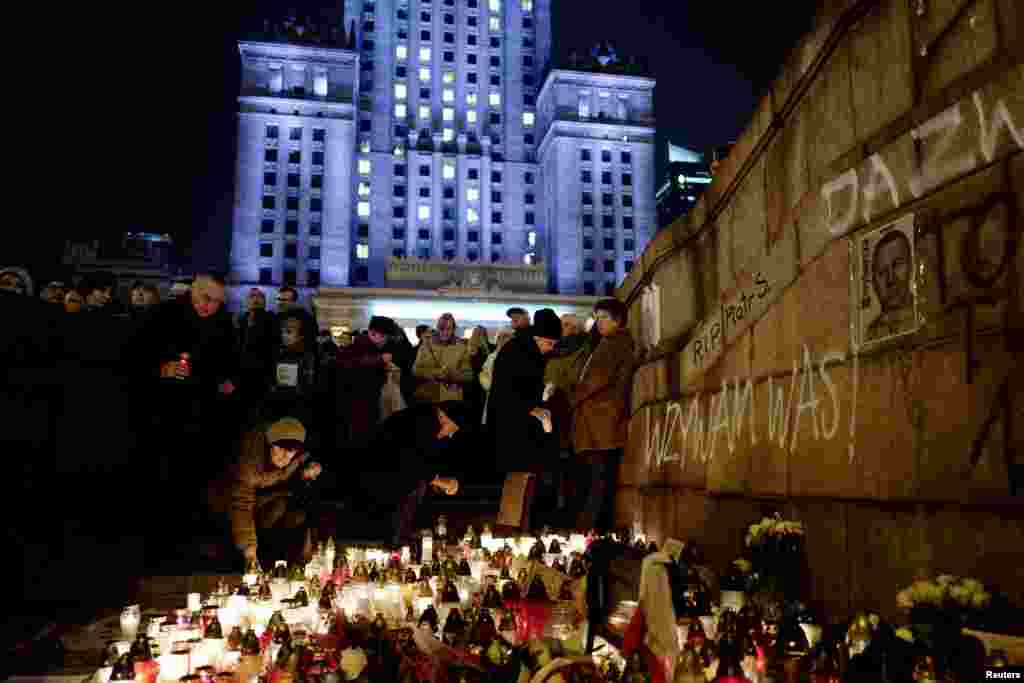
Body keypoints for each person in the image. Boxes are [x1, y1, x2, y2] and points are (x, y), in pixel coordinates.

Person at [547, 298, 635, 533]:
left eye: (603, 317)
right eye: (596, 318)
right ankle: (591, 531)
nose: (599, 323)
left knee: (598, 483)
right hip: (596, 423)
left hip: (602, 423)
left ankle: (589, 533)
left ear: (618, 319)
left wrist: (570, 398)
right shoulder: (607, 342)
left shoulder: (615, 342)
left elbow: (597, 380)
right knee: (595, 482)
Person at [342, 402, 470, 547]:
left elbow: (426, 463)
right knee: (402, 505)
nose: (449, 434)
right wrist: (442, 482)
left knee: (415, 491)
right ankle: (396, 545)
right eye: (451, 429)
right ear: (443, 416)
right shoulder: (422, 421)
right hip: (378, 472)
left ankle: (402, 541)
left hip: (392, 475)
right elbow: (415, 463)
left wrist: (438, 482)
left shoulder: (430, 423)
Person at [206, 417, 322, 566]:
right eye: (280, 449)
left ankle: (297, 564)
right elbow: (241, 505)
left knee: (296, 514)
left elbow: (295, 471)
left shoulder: (297, 456)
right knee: (274, 512)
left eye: (290, 451)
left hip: (270, 497)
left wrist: (305, 473)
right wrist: (249, 549)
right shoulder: (250, 462)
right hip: (228, 503)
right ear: (269, 444)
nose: (284, 457)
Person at [486, 309, 561, 505]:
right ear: (537, 338)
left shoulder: (527, 350)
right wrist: (534, 409)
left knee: (525, 481)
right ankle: (512, 529)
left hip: (522, 427)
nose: (551, 348)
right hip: (513, 428)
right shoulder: (517, 352)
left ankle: (518, 528)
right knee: (517, 480)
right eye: (549, 343)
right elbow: (507, 391)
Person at [865, 230, 915, 343]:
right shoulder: (871, 333)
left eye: (897, 265)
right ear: (873, 282)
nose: (891, 279)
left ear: (911, 265)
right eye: (882, 272)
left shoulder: (924, 314)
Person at [413, 313, 473, 403]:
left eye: (449, 329)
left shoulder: (461, 347)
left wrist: (452, 375)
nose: (445, 332)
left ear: (453, 329)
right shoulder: (426, 345)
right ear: (437, 328)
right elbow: (415, 370)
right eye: (442, 328)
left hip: (451, 397)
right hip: (428, 396)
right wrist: (435, 373)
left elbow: (469, 375)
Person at [237, 289, 278, 417]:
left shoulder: (271, 319)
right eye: (252, 296)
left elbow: (274, 347)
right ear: (246, 301)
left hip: (262, 375)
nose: (256, 299)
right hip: (241, 375)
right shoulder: (240, 319)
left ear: (265, 301)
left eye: (260, 296)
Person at [479, 327, 515, 425]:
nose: (504, 340)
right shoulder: (491, 358)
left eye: (508, 337)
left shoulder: (519, 359)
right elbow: (484, 378)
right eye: (501, 338)